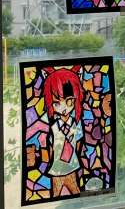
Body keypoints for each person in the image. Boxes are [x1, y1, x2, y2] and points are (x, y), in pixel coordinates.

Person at [41, 66, 85, 198]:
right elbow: (50, 147)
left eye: (69, 101)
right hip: (56, 169)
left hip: (72, 166)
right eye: (56, 103)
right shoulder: (54, 127)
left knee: (76, 193)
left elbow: (78, 144)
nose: (64, 108)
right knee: (55, 195)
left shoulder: (77, 125)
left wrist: (74, 158)